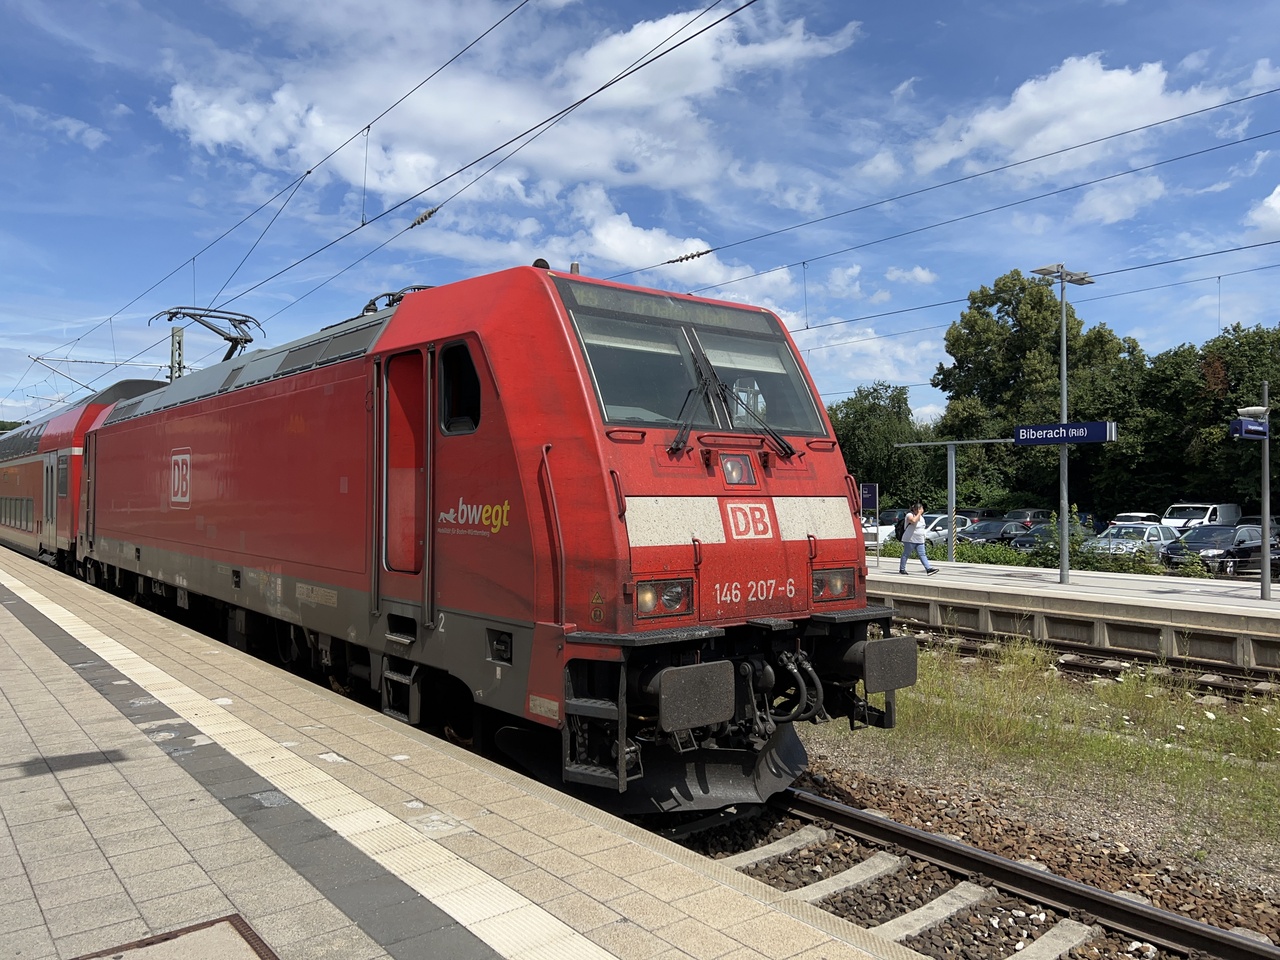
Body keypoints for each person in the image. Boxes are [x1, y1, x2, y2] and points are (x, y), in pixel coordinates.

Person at [899, 502, 938, 576]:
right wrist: (919, 513)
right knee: (906, 554)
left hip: (920, 539)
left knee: (922, 554)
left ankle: (928, 569)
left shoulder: (922, 518)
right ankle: (902, 569)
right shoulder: (909, 515)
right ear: (914, 509)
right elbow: (913, 521)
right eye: (918, 509)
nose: (920, 510)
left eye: (920, 509)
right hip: (910, 539)